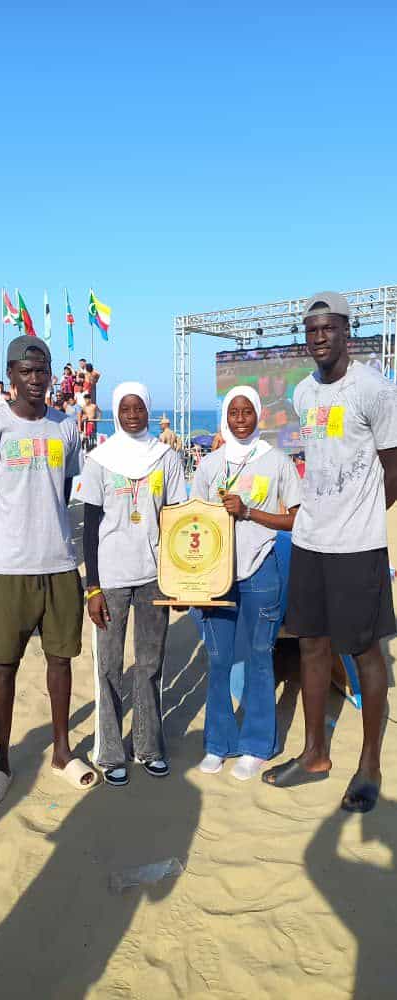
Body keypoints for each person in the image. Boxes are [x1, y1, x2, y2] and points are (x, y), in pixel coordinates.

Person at [262, 291, 397, 813]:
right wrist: (324, 516)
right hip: (310, 541)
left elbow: (394, 464)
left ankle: (369, 767)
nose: (319, 338)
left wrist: (360, 515)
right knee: (312, 646)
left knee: (364, 653)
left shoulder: (376, 391)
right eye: (311, 330)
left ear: (347, 331)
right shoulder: (303, 393)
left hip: (357, 546)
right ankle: (315, 753)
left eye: (328, 329)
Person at [0, 334, 97, 806]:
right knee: (5, 665)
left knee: (60, 659)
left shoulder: (65, 427)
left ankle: (62, 752)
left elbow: (63, 488)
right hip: (7, 569)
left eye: (42, 370)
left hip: (60, 563)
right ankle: (1, 759)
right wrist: (2, 535)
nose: (36, 380)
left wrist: (44, 529)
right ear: (10, 376)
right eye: (27, 371)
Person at [79, 381, 187, 786]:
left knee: (149, 664)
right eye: (124, 408)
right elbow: (89, 529)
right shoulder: (99, 460)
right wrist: (92, 587)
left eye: (138, 407)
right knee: (108, 665)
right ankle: (108, 752)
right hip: (110, 579)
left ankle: (147, 747)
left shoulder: (165, 457)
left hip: (154, 578)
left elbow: (175, 521)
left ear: (147, 409)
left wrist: (178, 579)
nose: (132, 414)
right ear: (116, 411)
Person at [191, 386, 301, 779]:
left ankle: (257, 745)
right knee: (219, 660)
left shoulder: (277, 462)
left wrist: (251, 513)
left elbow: (295, 518)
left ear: (258, 415)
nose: (240, 418)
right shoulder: (210, 465)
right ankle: (218, 744)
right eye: (233, 411)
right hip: (216, 577)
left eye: (247, 411)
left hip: (261, 571)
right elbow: (196, 520)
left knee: (259, 658)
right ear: (225, 415)